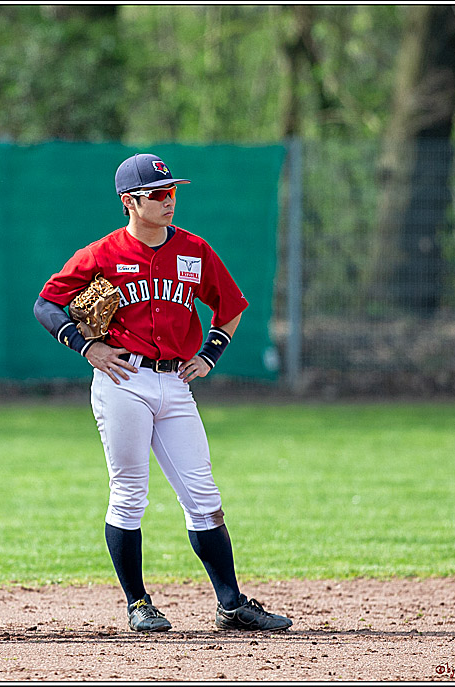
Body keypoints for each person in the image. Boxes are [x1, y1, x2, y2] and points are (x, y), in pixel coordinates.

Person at [34, 153, 293, 634]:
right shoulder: (102, 254)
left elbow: (230, 306)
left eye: (171, 191)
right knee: (130, 493)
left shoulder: (194, 249)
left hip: (175, 382)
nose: (168, 200)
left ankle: (231, 605)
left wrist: (210, 353)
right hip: (123, 380)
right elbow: (47, 303)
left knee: (204, 496)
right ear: (129, 202)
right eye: (157, 194)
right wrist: (87, 346)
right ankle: (138, 603)